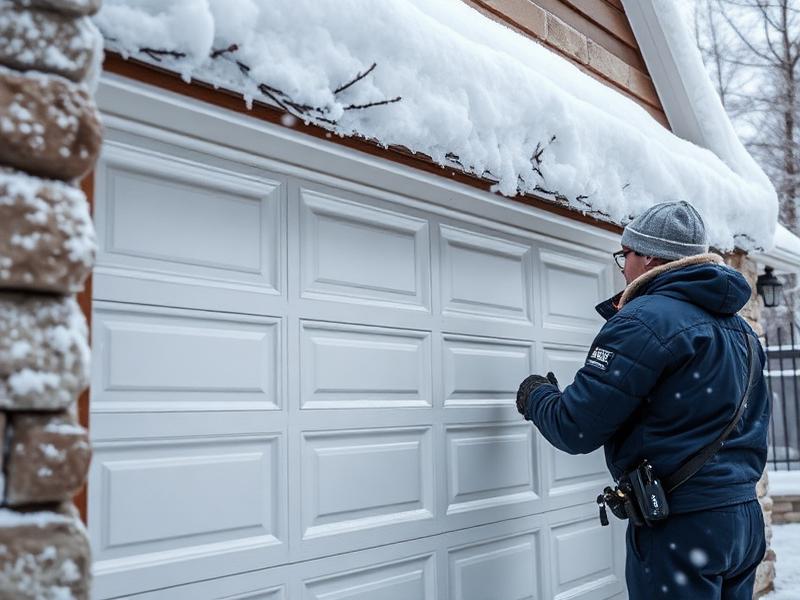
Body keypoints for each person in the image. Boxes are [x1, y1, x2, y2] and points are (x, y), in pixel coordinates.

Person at [517, 201, 769, 599]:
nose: (623, 266)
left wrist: (536, 395)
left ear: (648, 257)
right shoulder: (742, 332)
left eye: (625, 254)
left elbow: (575, 427)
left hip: (684, 529)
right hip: (743, 523)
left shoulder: (643, 320)